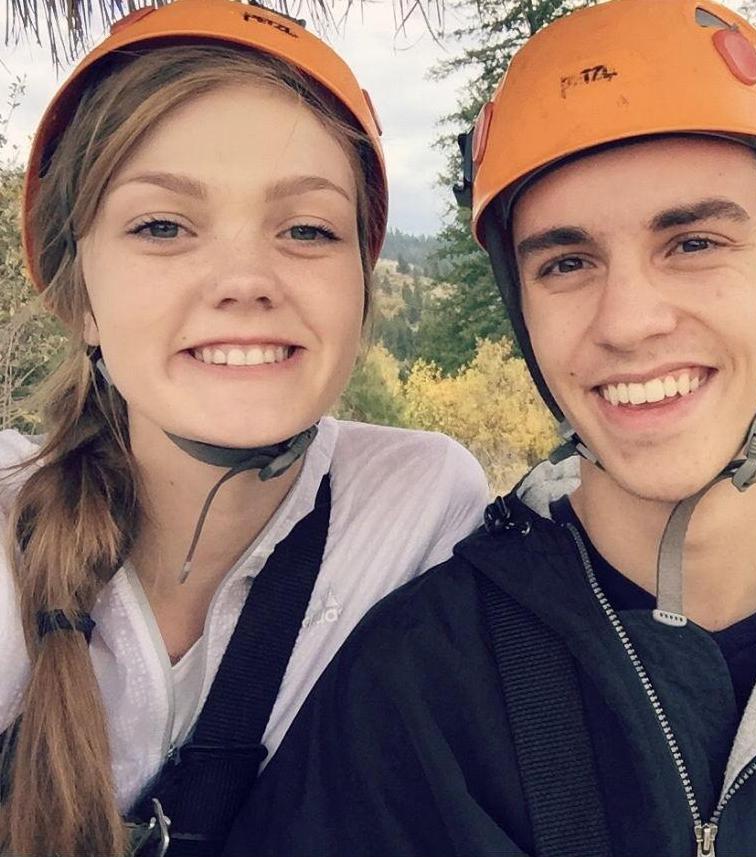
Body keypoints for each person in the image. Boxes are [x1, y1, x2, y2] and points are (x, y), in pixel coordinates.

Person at [223, 1, 756, 855]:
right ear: (523, 313)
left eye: (695, 243)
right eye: (567, 262)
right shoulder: (412, 696)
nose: (628, 322)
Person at [0, 2, 489, 854]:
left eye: (307, 229)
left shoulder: (420, 505)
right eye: (162, 226)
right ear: (78, 296)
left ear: (360, 288)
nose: (244, 279)